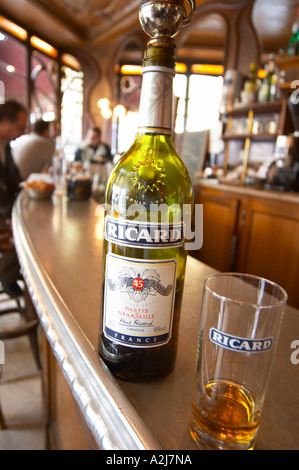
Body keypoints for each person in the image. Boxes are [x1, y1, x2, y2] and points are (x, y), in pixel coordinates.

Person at [0, 100, 28, 297]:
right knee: (21, 232)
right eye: (20, 127)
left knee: (27, 224)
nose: (23, 132)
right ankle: (7, 274)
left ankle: (14, 272)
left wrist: (25, 189)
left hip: (5, 207)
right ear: (4, 122)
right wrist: (11, 209)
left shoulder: (6, 146)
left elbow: (14, 177)